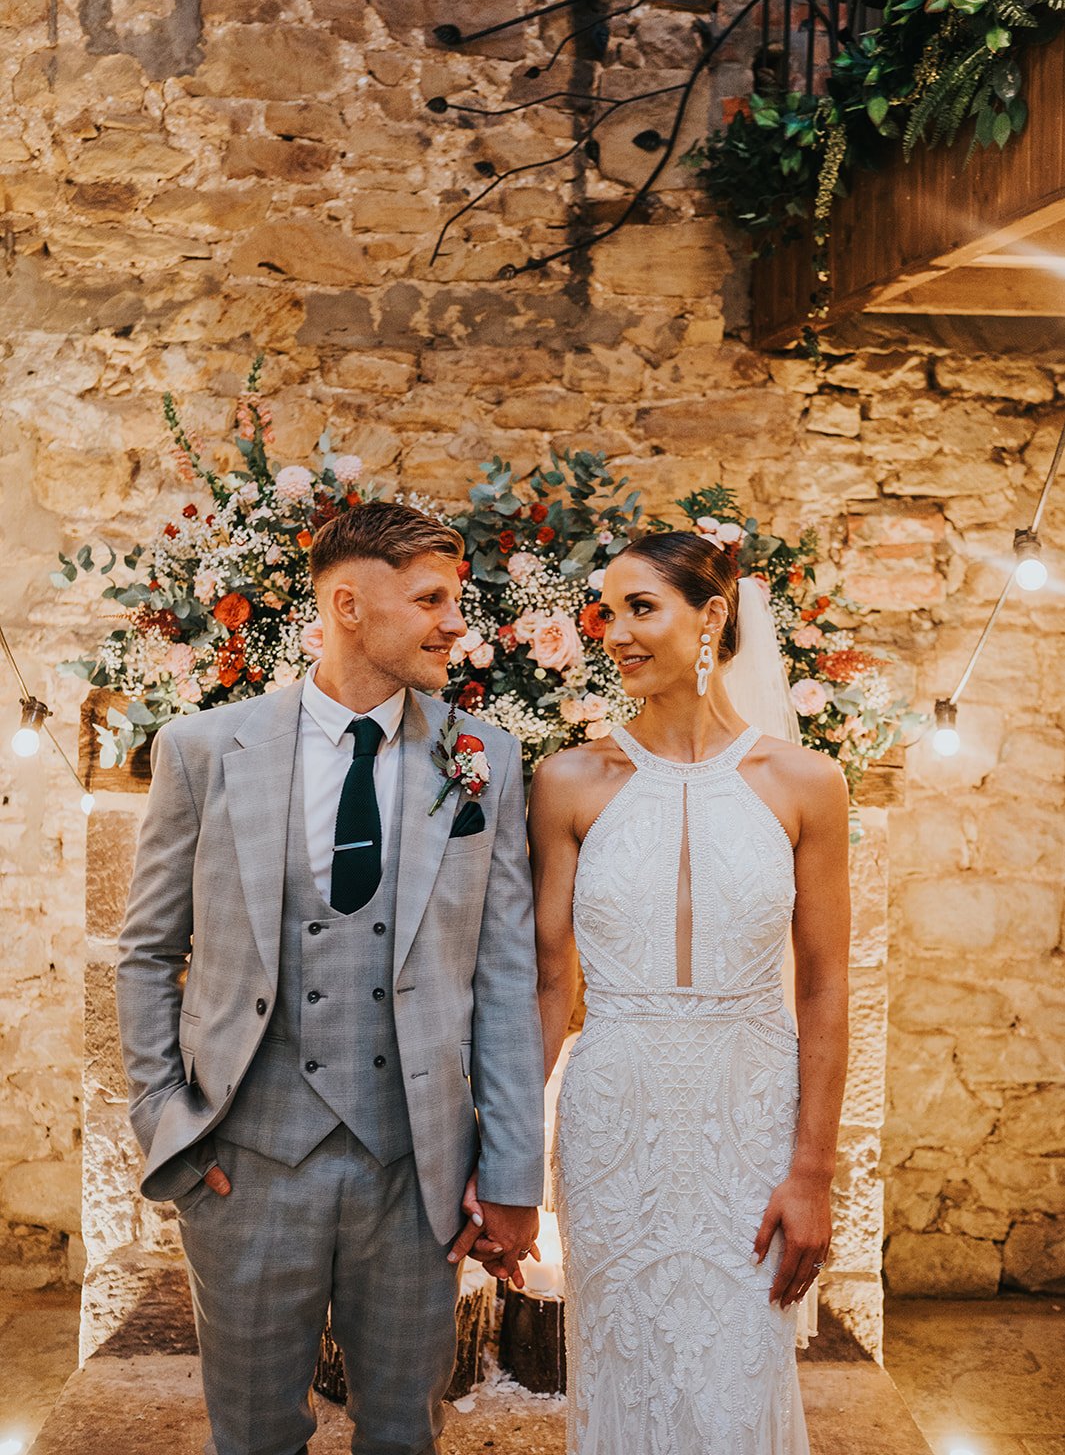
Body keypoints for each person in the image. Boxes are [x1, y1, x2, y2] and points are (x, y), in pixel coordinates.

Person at [116, 500, 544, 1455]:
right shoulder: (202, 750)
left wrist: (512, 1172)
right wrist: (168, 1128)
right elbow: (147, 954)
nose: (454, 623)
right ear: (348, 605)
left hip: (416, 1171)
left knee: (404, 1433)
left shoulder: (485, 759)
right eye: (430, 598)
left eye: (456, 598)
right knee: (255, 1435)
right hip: (246, 1165)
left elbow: (506, 975)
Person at [531, 532, 851, 1455]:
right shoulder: (568, 783)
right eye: (608, 611)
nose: (616, 632)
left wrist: (813, 1173)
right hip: (611, 1126)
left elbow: (826, 989)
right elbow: (551, 986)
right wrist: (505, 1153)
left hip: (749, 1122)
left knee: (738, 1374)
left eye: (642, 607)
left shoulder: (803, 783)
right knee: (622, 1366)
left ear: (710, 616)